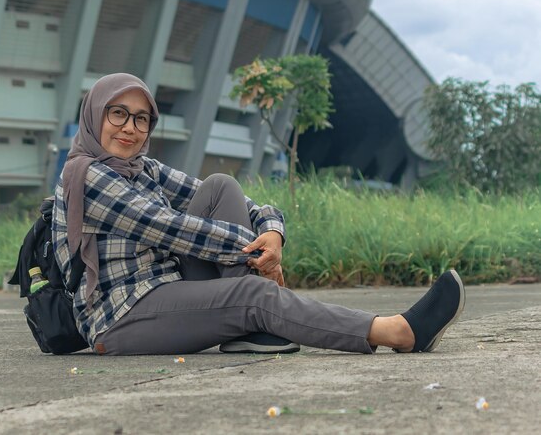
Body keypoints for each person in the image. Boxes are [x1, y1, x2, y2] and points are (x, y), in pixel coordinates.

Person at [52, 73, 465, 356]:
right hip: (121, 319)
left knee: (220, 186)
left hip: (166, 289)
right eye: (118, 113)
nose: (130, 127)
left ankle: (255, 325)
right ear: (95, 115)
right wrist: (255, 257)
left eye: (141, 118)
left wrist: (272, 232)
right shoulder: (87, 177)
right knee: (255, 293)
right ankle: (397, 332)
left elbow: (228, 202)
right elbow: (168, 229)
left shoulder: (144, 168)